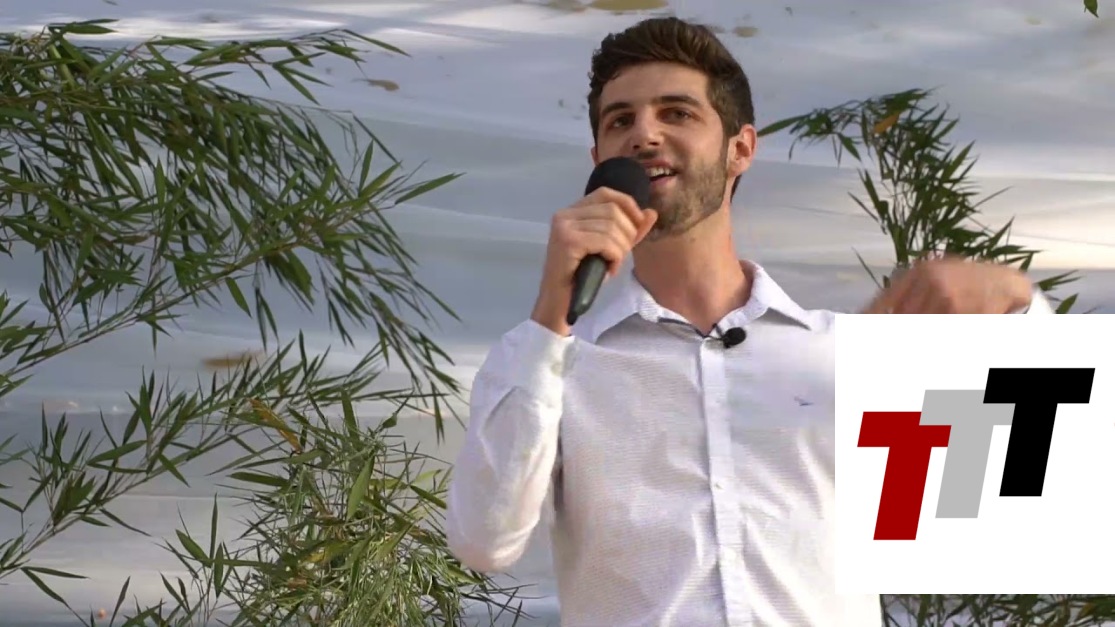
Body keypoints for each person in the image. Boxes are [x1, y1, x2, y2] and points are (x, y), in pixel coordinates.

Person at [445, 16, 1052, 627]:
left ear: (740, 148)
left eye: (677, 113)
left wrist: (1016, 304)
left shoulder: (841, 351)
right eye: (620, 121)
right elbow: (483, 542)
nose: (645, 135)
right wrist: (551, 315)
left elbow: (1014, 495)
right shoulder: (552, 365)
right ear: (598, 159)